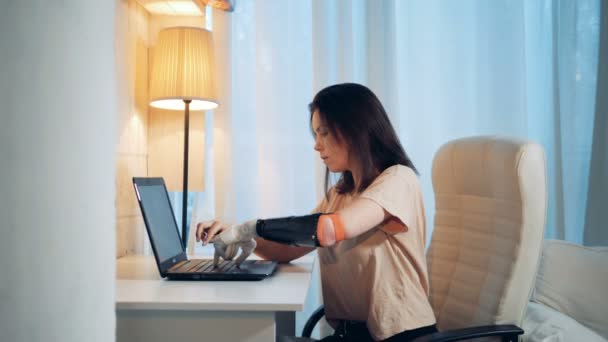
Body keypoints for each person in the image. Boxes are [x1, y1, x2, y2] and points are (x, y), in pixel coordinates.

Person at [196, 83, 437, 342]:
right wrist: (240, 235)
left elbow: (330, 230)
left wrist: (249, 228)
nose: (317, 146)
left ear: (354, 130)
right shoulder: (340, 195)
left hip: (402, 335)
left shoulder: (398, 179)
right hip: (354, 335)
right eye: (315, 135)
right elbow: (290, 248)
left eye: (324, 133)